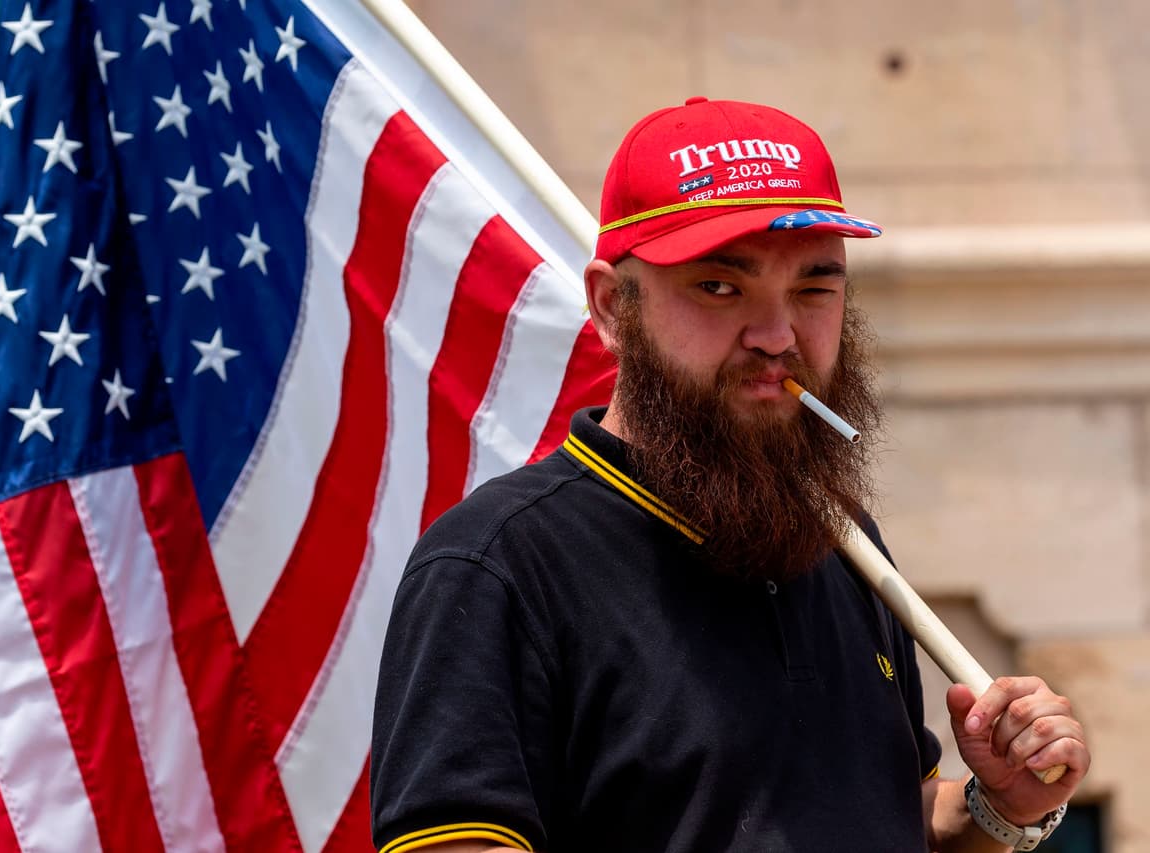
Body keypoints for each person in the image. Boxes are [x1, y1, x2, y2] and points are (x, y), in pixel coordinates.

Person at [369, 97, 1090, 852]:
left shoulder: (842, 537)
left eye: (813, 289)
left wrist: (998, 807)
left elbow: (889, 817)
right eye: (719, 286)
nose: (776, 336)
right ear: (613, 307)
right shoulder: (498, 565)